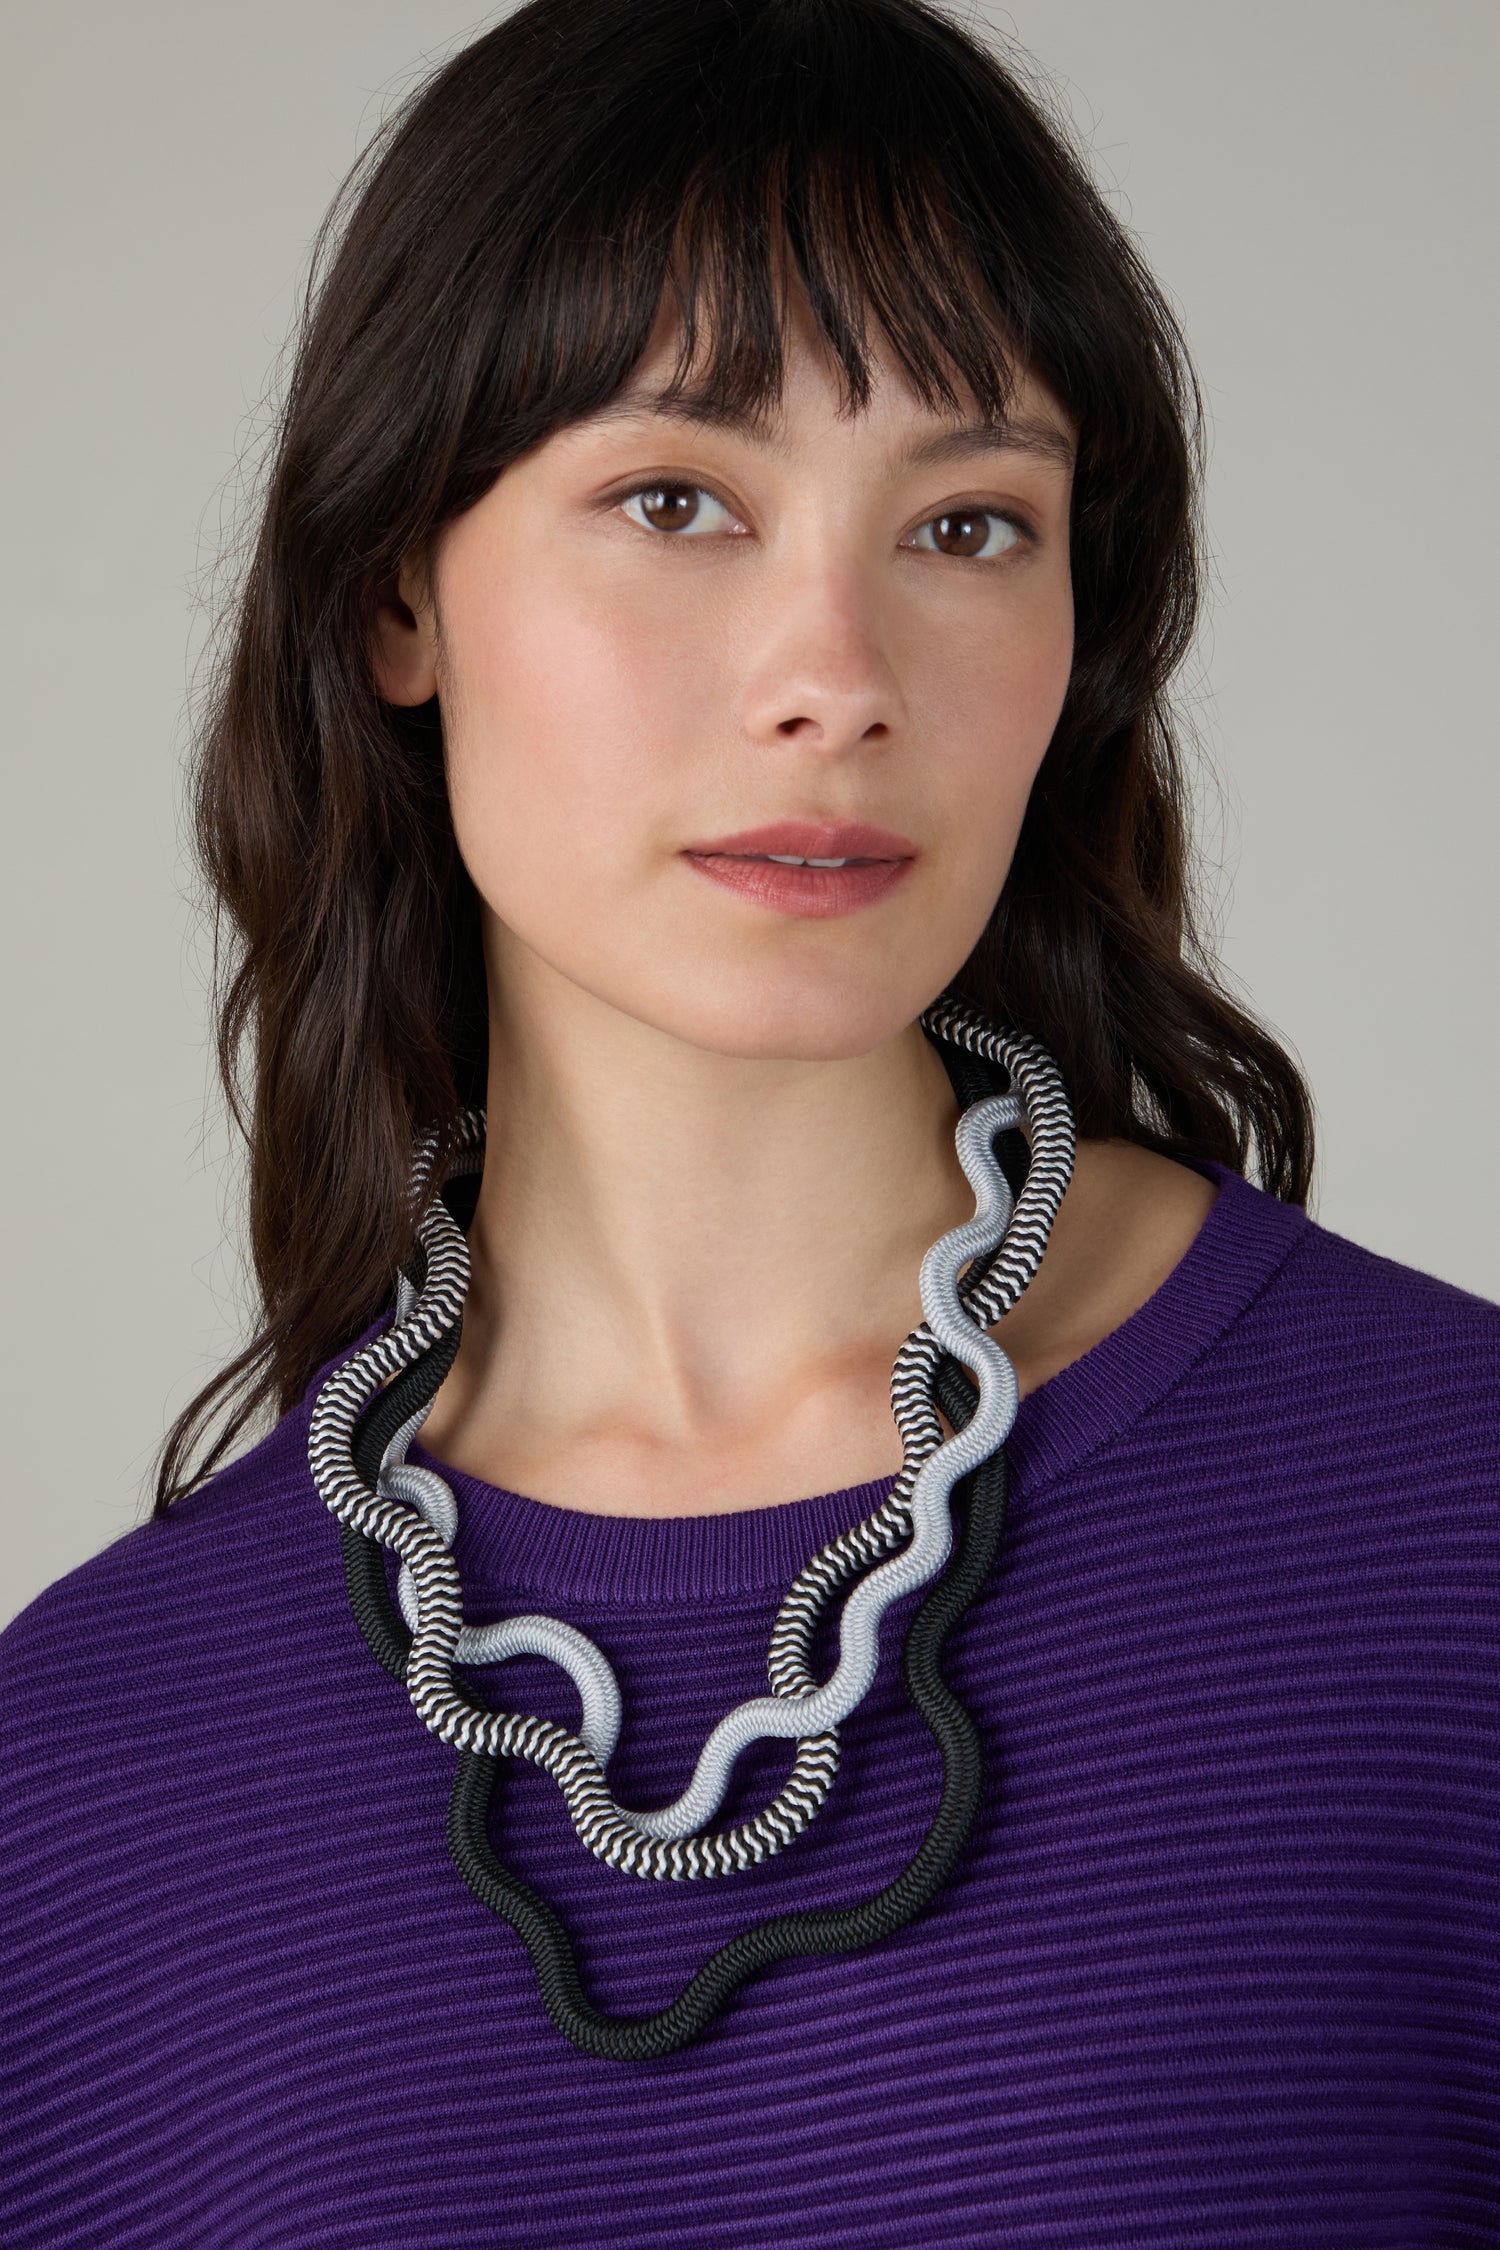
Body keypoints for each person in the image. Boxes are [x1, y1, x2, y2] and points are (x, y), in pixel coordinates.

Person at [3, 0, 1497, 2238]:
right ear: (400, 588)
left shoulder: (1454, 1530)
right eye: (676, 500)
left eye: (968, 524)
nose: (839, 676)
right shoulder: (75, 1776)